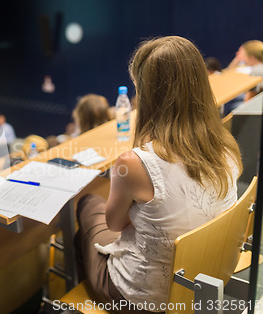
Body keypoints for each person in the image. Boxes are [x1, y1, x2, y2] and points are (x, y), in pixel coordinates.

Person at [75, 36, 242, 313]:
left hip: (144, 298)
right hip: (206, 278)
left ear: (148, 94)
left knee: (87, 204)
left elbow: (115, 224)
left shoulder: (135, 163)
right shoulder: (226, 146)